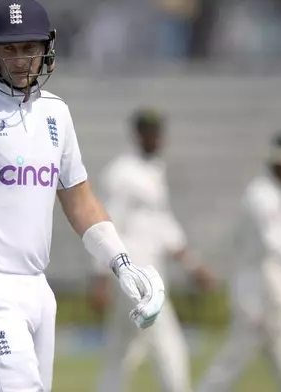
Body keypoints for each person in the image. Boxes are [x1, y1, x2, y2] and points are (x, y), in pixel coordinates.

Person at [0, 1, 167, 391]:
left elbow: (79, 198)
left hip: (38, 287)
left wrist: (121, 263)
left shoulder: (57, 113)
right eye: (9, 49)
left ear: (47, 46)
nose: (21, 60)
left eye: (29, 48)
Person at [90, 108, 215, 392]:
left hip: (151, 270)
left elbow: (164, 225)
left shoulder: (155, 170)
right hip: (133, 273)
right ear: (137, 134)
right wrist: (98, 276)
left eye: (158, 132)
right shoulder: (122, 173)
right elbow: (106, 224)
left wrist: (193, 265)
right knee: (168, 345)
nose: (156, 137)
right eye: (149, 131)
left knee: (121, 351)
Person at [196, 131, 281, 392]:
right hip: (265, 293)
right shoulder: (264, 196)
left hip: (259, 292)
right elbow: (275, 243)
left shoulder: (265, 193)